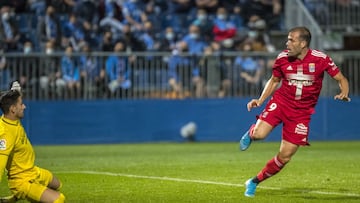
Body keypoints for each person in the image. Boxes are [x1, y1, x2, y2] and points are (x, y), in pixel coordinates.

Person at [239, 26, 350, 197]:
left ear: (303, 43)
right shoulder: (282, 57)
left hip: (302, 113)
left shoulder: (321, 59)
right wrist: (260, 100)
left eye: (291, 40)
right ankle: (251, 133)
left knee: (285, 157)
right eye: (287, 39)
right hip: (281, 103)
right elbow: (274, 80)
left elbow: (341, 78)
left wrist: (344, 92)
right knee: (259, 135)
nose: (287, 43)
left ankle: (254, 181)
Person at [0, 82, 65, 202]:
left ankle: (15, 198)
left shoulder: (11, 117)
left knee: (57, 184)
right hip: (22, 181)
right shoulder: (5, 134)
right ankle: (21, 193)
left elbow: (13, 99)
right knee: (59, 200)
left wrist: (16, 90)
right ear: (13, 109)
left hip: (32, 171)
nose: (24, 106)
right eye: (21, 104)